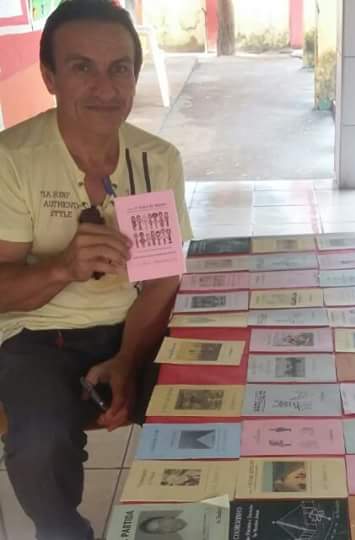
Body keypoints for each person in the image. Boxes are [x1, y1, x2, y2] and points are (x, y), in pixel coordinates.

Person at [0, 1, 193, 539]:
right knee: (39, 441)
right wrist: (62, 268)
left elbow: (162, 280)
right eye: (82, 67)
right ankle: (64, 531)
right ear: (49, 77)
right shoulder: (12, 160)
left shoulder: (157, 160)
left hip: (138, 325)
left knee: (211, 400)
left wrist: (128, 360)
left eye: (119, 68)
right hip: (39, 336)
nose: (105, 88)